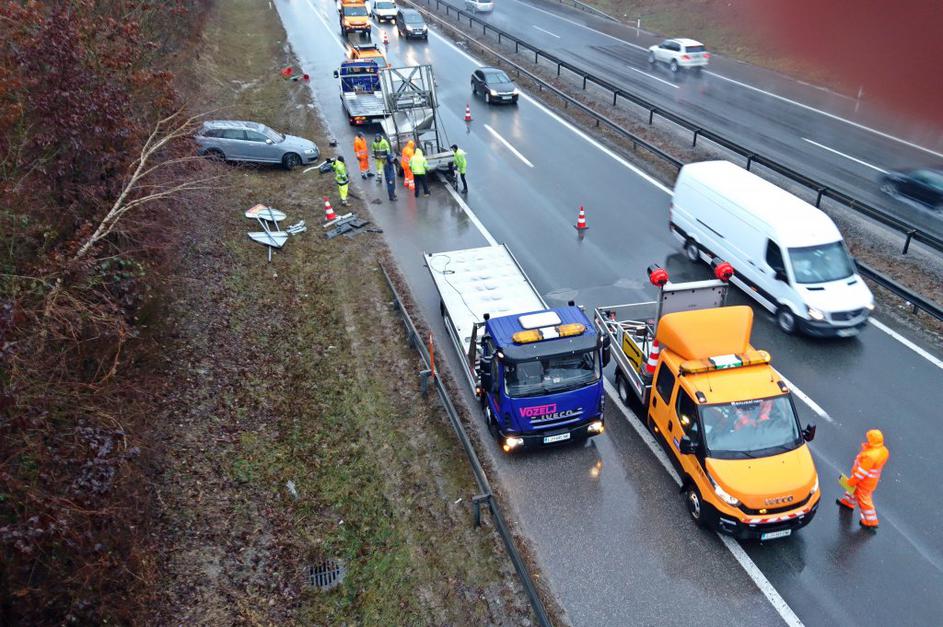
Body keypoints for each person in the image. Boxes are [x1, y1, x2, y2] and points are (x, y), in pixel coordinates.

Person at [838, 429, 889, 529]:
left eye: (869, 439)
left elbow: (861, 473)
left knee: (864, 500)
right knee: (853, 491)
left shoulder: (870, 456)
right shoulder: (883, 451)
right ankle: (848, 503)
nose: (867, 440)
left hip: (864, 482)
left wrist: (851, 481)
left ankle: (871, 521)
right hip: (870, 481)